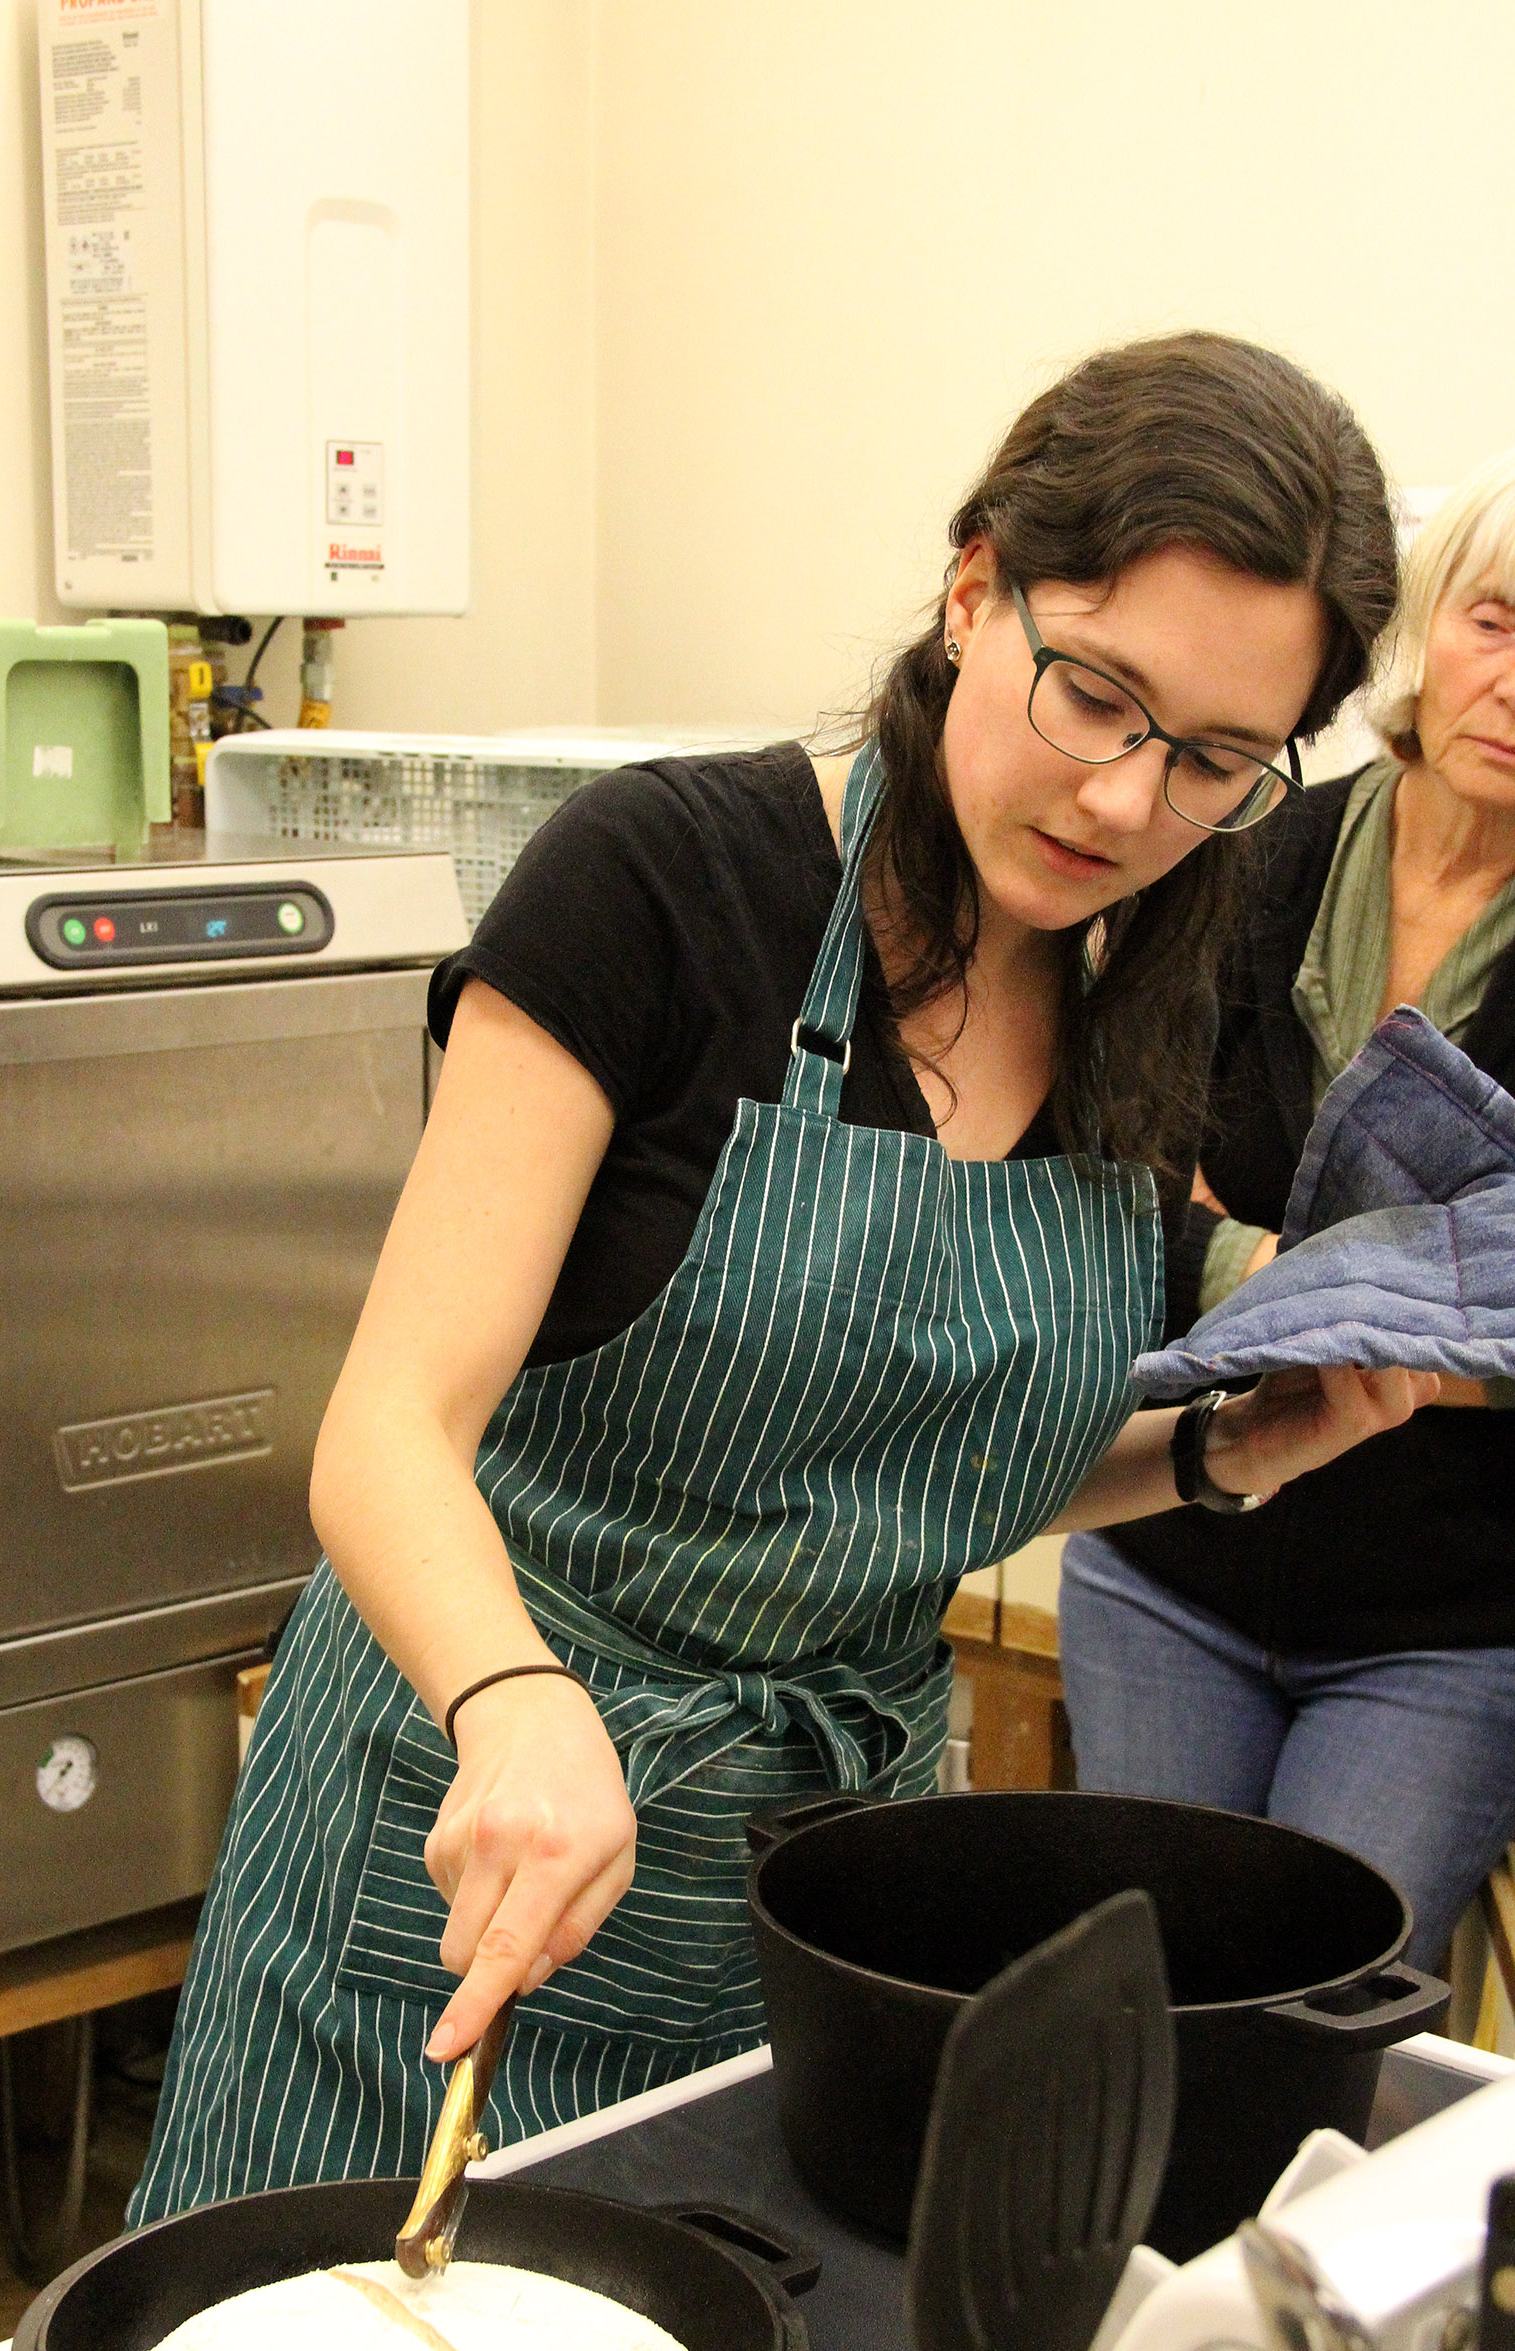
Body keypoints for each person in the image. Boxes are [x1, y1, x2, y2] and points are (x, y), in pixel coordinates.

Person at [133, 333, 1429, 2224]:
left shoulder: (1147, 991)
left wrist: (1229, 1454)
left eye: (1216, 762)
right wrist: (511, 1700)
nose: (1125, 803)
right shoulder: (666, 885)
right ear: (975, 587)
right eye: (1095, 696)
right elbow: (388, 1429)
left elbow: (908, 1483)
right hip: (461, 1850)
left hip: (816, 1895)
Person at [1058, 450, 1515, 1974]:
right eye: (1498, 623)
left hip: (1448, 1621)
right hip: (1164, 1549)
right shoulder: (1247, 852)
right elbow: (1113, 1155)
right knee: (1144, 1988)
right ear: (1429, 623)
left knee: (1320, 2008)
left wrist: (1250, 1277)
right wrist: (1387, 1295)